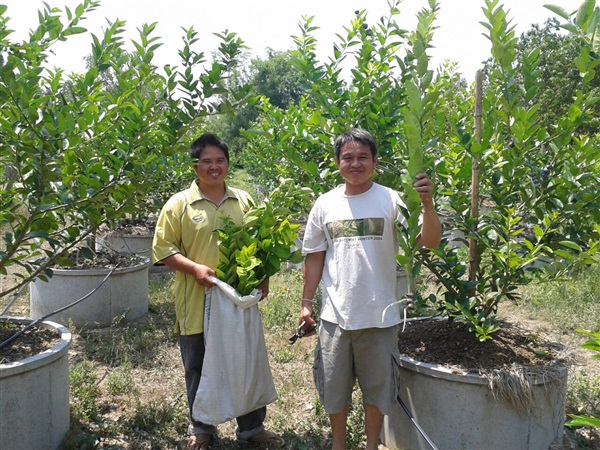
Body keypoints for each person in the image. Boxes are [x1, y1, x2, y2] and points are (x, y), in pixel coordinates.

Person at [299, 128, 442, 450]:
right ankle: (339, 444)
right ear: (337, 162)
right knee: (334, 391)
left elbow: (430, 242)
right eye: (348, 157)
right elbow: (315, 256)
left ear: (375, 161)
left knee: (377, 391)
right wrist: (307, 302)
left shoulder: (391, 199)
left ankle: (372, 445)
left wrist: (428, 206)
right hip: (336, 316)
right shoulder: (325, 204)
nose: (355, 163)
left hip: (381, 315)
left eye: (363, 157)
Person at [152, 133, 284, 450]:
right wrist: (195, 268)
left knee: (245, 361)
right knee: (198, 366)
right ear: (195, 166)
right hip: (196, 303)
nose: (214, 167)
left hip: (236, 302)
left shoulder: (244, 200)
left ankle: (252, 428)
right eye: (207, 162)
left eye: (220, 161)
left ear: (227, 163)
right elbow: (163, 249)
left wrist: (263, 275)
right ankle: (201, 428)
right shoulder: (179, 205)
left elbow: (261, 242)